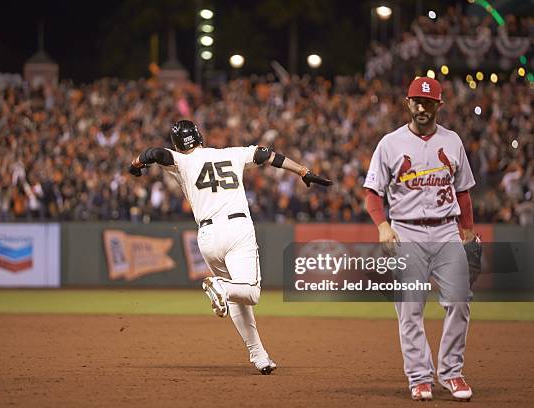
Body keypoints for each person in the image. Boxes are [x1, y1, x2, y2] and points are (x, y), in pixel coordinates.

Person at [129, 120, 331, 374]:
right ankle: (221, 287)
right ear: (200, 137)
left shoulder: (181, 161)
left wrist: (136, 164)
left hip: (208, 236)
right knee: (251, 293)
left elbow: (153, 153)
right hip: (237, 230)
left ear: (178, 145)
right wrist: (302, 171)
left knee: (236, 298)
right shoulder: (231, 153)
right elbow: (266, 155)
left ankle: (259, 356)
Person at [363, 77, 477, 401]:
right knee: (410, 309)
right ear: (408, 103)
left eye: (428, 102)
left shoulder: (453, 141)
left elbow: (463, 191)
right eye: (417, 101)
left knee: (459, 301)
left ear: (438, 105)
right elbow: (373, 193)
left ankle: (451, 372)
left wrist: (467, 227)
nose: (422, 107)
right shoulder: (390, 143)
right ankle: (419, 377)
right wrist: (383, 225)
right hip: (406, 230)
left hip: (445, 229)